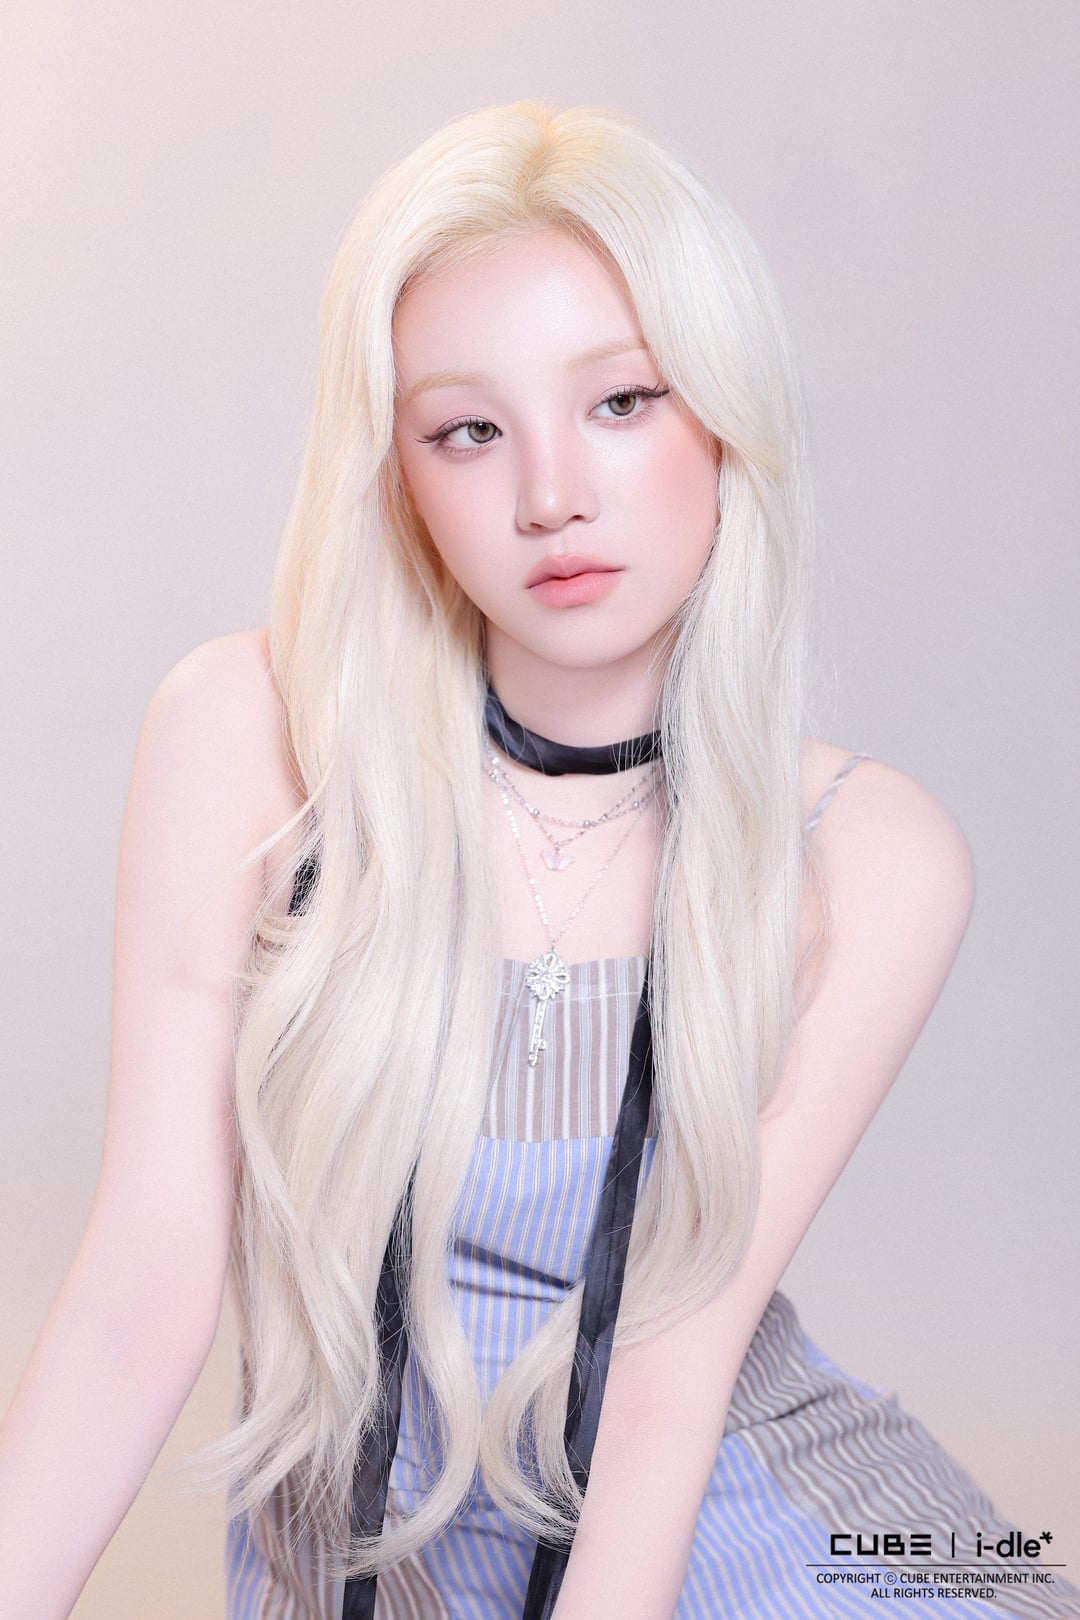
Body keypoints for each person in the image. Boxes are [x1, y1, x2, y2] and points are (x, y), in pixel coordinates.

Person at [0, 100, 1073, 1620]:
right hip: (377, 1559)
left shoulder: (865, 851)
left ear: (725, 415)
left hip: (777, 1541)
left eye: (622, 401)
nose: (551, 493)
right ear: (399, 474)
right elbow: (138, 1296)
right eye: (470, 429)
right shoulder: (251, 738)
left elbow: (669, 1377)